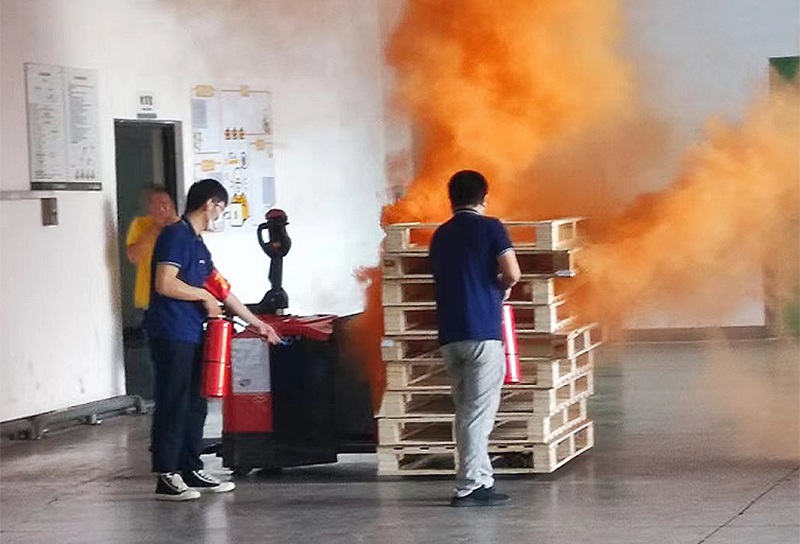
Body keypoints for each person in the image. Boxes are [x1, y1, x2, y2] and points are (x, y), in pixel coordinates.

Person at [146, 178, 281, 501]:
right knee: (174, 400)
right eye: (221, 208)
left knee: (196, 403)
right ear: (210, 204)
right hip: (171, 332)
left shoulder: (197, 245)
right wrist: (203, 297)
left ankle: (190, 467)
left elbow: (221, 289)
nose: (220, 215)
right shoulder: (175, 236)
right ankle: (166, 474)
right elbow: (165, 283)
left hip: (193, 333)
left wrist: (259, 324)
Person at [429, 170, 521, 507]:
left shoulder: (439, 235)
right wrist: (501, 287)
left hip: (450, 335)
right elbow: (512, 272)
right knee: (477, 414)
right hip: (482, 331)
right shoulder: (491, 228)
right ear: (484, 198)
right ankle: (468, 486)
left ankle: (482, 480)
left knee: (466, 411)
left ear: (450, 198)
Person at [126, 186, 179, 310]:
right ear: (149, 208)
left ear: (172, 205)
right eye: (156, 205)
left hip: (175, 297)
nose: (162, 209)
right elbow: (133, 257)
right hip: (148, 298)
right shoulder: (140, 224)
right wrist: (154, 228)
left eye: (165, 204)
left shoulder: (181, 227)